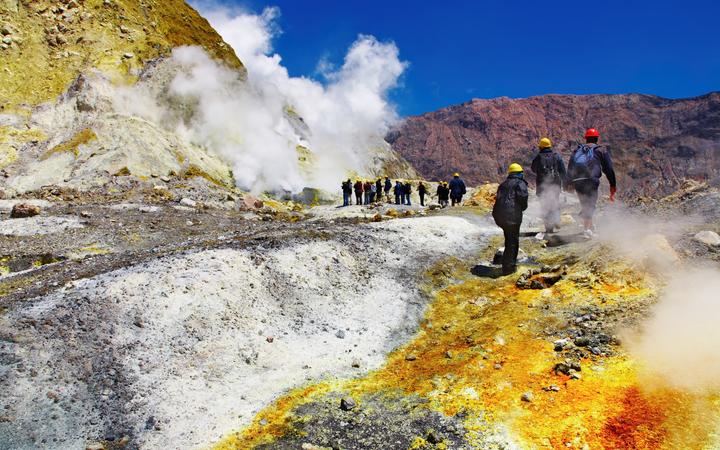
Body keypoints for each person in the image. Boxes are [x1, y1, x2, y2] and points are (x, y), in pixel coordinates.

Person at [566, 128, 617, 238]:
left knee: (585, 203)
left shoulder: (577, 150)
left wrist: (568, 182)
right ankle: (587, 230)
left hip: (577, 181)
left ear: (586, 138)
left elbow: (570, 167)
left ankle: (590, 226)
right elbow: (608, 168)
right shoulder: (600, 150)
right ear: (597, 138)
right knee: (590, 204)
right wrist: (612, 184)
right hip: (591, 180)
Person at [492, 163, 529, 275]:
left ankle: (507, 264)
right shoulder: (520, 183)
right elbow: (523, 197)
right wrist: (522, 208)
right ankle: (508, 268)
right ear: (519, 173)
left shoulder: (503, 184)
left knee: (508, 239)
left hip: (499, 216)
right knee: (513, 242)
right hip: (512, 217)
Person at [530, 137, 566, 236]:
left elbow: (533, 169)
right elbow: (562, 170)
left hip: (542, 186)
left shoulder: (538, 157)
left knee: (545, 206)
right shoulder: (556, 156)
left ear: (541, 147)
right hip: (555, 184)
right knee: (555, 202)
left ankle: (548, 228)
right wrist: (565, 182)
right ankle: (556, 220)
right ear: (550, 146)